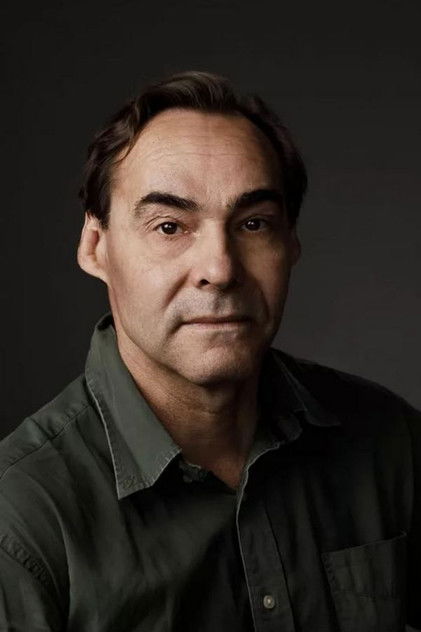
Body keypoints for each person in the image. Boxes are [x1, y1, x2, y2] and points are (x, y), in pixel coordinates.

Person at [0, 70, 419, 632]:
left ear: (291, 244)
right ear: (95, 247)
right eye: (170, 227)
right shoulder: (19, 521)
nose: (220, 269)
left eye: (254, 224)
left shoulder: (392, 445)